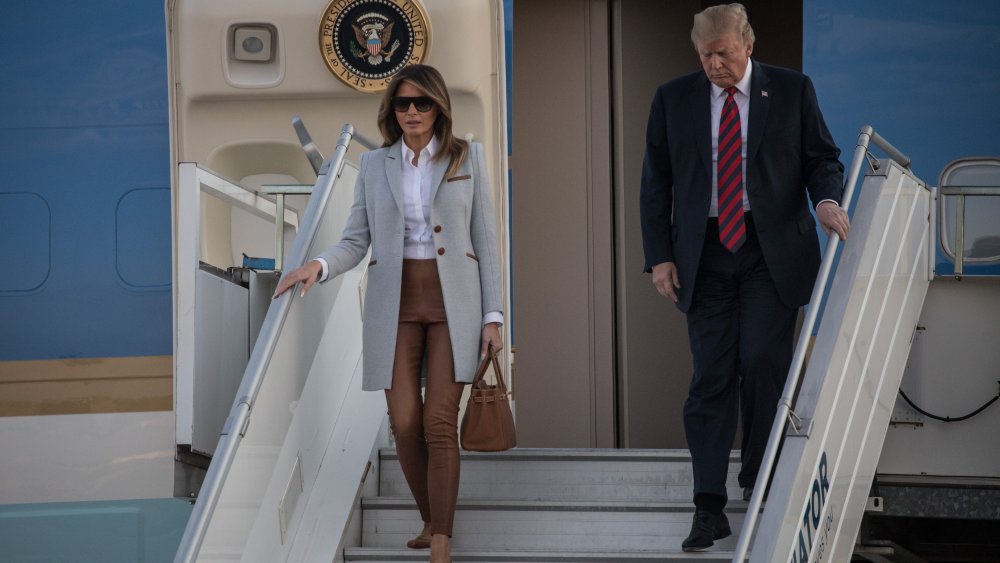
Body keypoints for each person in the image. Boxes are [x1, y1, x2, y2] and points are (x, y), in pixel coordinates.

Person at [639, 3, 850, 552]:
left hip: (770, 249)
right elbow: (655, 184)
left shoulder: (791, 90)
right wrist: (660, 256)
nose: (714, 65)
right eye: (705, 55)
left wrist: (826, 200)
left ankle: (757, 481)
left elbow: (821, 157)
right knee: (710, 376)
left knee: (761, 363)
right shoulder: (672, 99)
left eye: (724, 53)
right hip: (704, 254)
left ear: (747, 45)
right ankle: (708, 507)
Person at [272, 64, 504, 563]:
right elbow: (357, 239)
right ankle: (430, 517)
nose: (413, 112)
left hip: (455, 307)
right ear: (391, 111)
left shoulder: (468, 156)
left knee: (439, 420)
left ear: (438, 106)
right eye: (403, 104)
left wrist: (494, 316)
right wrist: (317, 265)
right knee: (403, 422)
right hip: (393, 305)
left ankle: (440, 538)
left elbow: (486, 241)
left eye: (422, 103)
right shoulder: (376, 166)